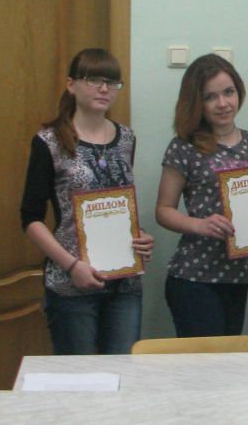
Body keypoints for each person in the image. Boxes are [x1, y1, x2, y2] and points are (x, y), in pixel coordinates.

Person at [19, 48, 154, 354]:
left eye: (112, 82)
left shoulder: (127, 138)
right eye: (94, 80)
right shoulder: (49, 142)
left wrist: (141, 237)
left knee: (122, 372)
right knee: (79, 376)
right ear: (71, 85)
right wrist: (72, 266)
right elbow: (30, 218)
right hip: (72, 282)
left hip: (124, 284)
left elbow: (120, 205)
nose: (104, 89)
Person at [155, 54, 248, 337]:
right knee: (208, 362)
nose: (223, 103)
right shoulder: (183, 146)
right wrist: (200, 225)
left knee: (231, 359)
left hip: (238, 277)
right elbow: (163, 210)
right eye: (210, 97)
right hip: (194, 277)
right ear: (197, 102)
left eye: (228, 92)